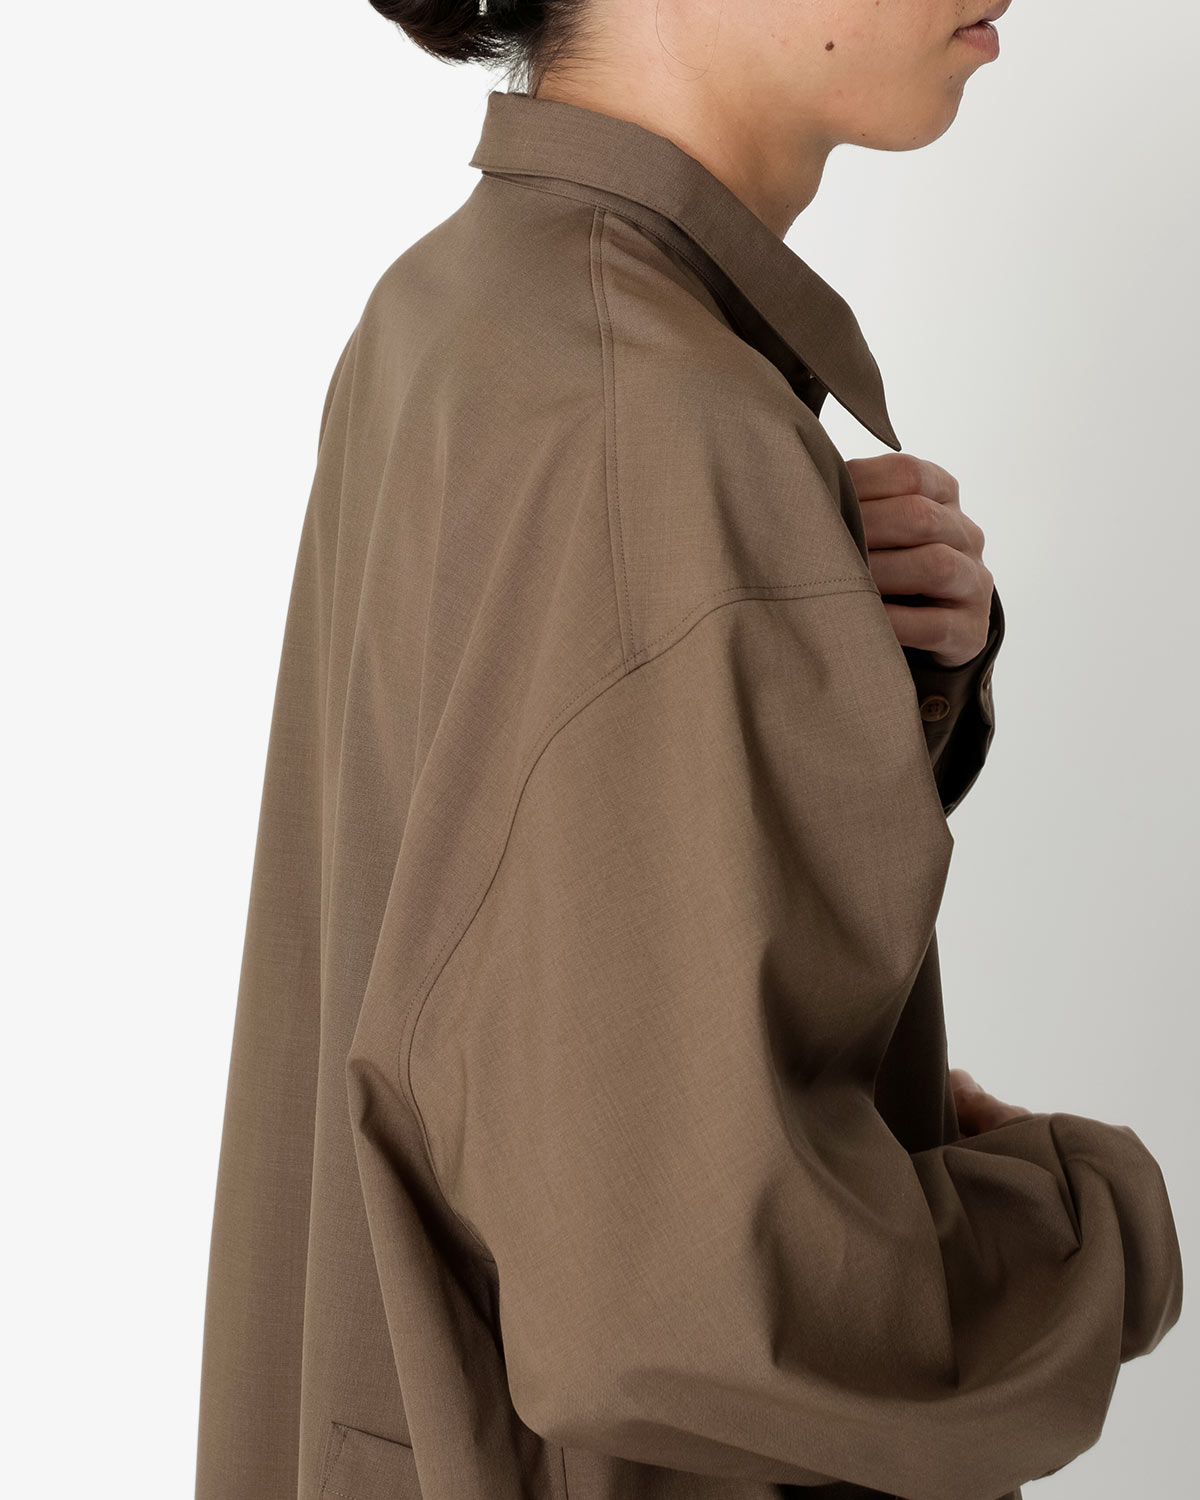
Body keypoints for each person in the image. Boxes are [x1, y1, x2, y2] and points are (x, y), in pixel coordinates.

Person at [193, 5, 1184, 1500]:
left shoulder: (462, 308)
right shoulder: (652, 414)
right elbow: (680, 1314)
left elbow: (495, 924)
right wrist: (1097, 1231)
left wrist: (838, 655)